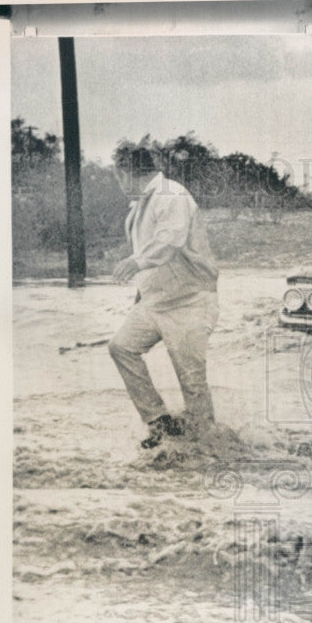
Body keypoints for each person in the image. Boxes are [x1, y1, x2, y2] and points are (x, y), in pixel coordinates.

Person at [108, 143, 220, 449]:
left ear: (127, 171)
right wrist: (140, 293)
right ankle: (160, 422)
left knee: (192, 383)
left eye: (118, 174)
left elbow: (169, 241)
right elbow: (152, 255)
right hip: (155, 302)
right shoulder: (140, 206)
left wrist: (135, 262)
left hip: (190, 302)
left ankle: (208, 448)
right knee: (121, 347)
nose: (118, 181)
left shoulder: (172, 194)